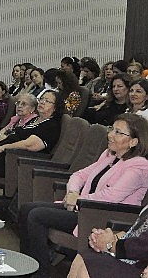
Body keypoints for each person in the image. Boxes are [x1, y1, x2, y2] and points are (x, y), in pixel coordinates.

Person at [19, 113, 148, 278]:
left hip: (99, 215)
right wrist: (73, 193)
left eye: (118, 132)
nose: (110, 135)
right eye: (112, 129)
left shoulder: (139, 167)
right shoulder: (110, 155)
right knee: (26, 209)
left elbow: (111, 197)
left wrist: (78, 200)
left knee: (36, 215)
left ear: (134, 141)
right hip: (82, 207)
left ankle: (40, 274)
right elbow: (79, 175)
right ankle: (25, 268)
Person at [0, 90, 63, 201]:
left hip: (18, 161)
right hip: (7, 154)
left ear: (55, 108)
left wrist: (3, 147)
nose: (42, 102)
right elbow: (12, 136)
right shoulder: (34, 119)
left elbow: (29, 145)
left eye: (47, 101)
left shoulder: (51, 126)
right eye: (41, 99)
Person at [67, 204, 148, 278]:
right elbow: (135, 231)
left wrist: (110, 244)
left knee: (90, 269)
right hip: (133, 251)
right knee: (82, 258)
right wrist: (107, 238)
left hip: (139, 261)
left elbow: (142, 247)